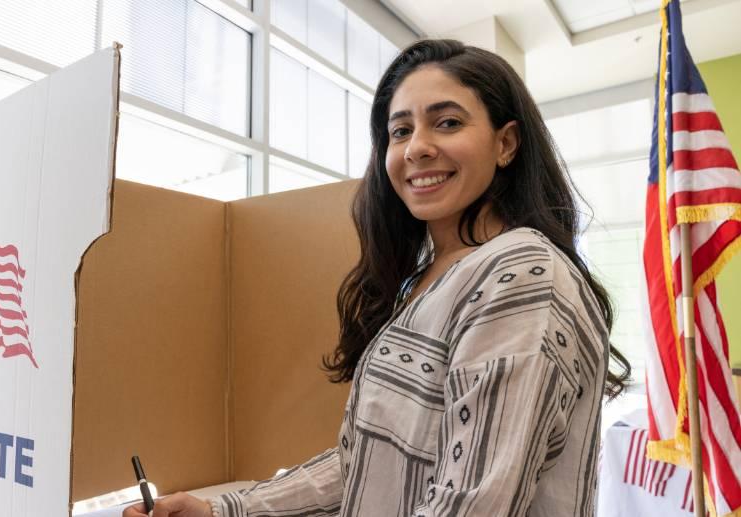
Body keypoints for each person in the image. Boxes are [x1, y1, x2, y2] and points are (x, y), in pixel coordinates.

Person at [124, 38, 631, 517]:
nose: (417, 148)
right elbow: (366, 462)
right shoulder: (428, 280)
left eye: (448, 123)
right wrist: (223, 508)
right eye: (400, 130)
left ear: (506, 143)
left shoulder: (518, 274)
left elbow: (472, 505)